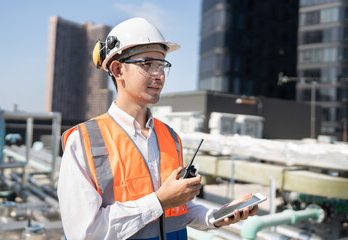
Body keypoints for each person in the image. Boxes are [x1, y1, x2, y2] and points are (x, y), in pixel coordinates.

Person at [57, 17, 258, 240]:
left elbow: (179, 208)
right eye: (147, 64)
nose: (159, 75)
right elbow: (83, 233)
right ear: (117, 69)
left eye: (162, 65)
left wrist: (217, 216)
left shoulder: (170, 137)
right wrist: (159, 200)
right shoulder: (83, 141)